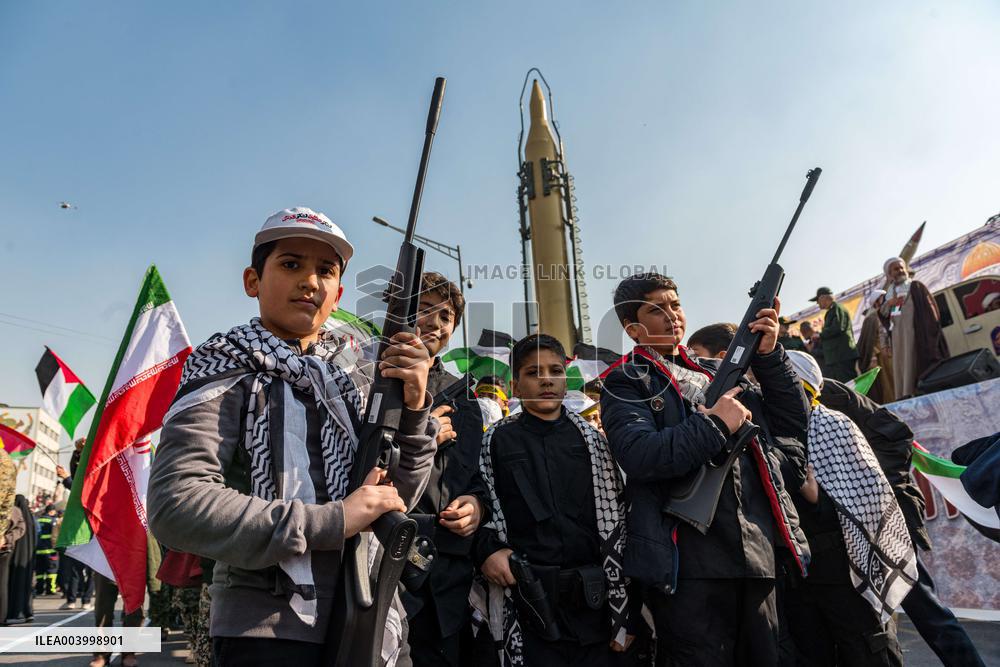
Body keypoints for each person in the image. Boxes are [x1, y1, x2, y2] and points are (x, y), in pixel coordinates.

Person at [147, 206, 437, 667]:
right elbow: (176, 504)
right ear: (252, 280)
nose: (310, 281)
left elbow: (394, 495)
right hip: (266, 628)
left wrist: (417, 409)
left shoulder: (355, 377)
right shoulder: (224, 364)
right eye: (291, 264)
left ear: (338, 293)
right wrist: (333, 521)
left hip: (370, 613)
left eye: (325, 270)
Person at [600, 273, 810, 666]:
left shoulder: (717, 370)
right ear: (632, 328)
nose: (671, 316)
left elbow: (792, 420)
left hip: (756, 551)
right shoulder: (625, 380)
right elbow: (641, 455)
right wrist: (715, 424)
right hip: (686, 565)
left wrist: (769, 355)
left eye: (675, 305)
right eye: (656, 309)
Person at [474, 334, 636, 666]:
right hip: (529, 604)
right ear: (515, 386)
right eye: (533, 372)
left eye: (555, 370)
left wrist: (627, 615)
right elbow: (481, 506)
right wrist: (487, 549)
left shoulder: (597, 443)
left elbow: (622, 520)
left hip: (597, 607)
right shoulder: (494, 443)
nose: (546, 379)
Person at [811, 361, 986, 667]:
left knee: (927, 612)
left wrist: (874, 487)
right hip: (849, 531)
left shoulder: (829, 395)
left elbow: (896, 434)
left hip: (882, 520)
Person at [778, 352, 907, 666]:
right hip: (802, 577)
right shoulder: (776, 431)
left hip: (846, 569)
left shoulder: (835, 426)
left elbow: (867, 500)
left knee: (865, 649)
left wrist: (817, 499)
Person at [403, 271, 489, 667]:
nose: (434, 323)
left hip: (449, 573)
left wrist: (475, 505)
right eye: (424, 310)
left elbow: (475, 478)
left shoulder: (463, 396)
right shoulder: (366, 381)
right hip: (387, 564)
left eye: (445, 317)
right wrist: (421, 437)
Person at [879, 257, 949, 398]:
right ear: (889, 274)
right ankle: (907, 395)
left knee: (917, 363)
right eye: (895, 269)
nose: (899, 271)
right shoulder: (890, 294)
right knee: (903, 367)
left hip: (916, 335)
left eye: (901, 267)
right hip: (899, 338)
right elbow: (886, 315)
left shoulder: (915, 286)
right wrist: (890, 303)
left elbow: (931, 311)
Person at [809, 286, 859, 382]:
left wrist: (820, 335)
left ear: (823, 298)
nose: (817, 303)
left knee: (849, 385)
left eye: (818, 300)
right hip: (837, 357)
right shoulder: (832, 310)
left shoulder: (837, 308)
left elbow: (838, 327)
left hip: (842, 356)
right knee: (844, 386)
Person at [855, 290, 895, 404]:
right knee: (888, 387)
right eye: (883, 298)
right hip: (883, 359)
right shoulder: (871, 319)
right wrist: (872, 358)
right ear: (876, 302)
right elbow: (868, 343)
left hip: (897, 354)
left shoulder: (890, 313)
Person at [6, 494, 36, 623]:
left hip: (14, 557)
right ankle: (27, 611)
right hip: (28, 558)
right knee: (26, 584)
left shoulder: (18, 519)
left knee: (13, 583)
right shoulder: (31, 521)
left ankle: (13, 611)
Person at [0, 496, 26, 626]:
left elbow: (21, 528)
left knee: (1, 585)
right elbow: (21, 528)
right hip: (5, 548)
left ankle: (1, 617)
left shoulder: (13, 510)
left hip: (4, 550)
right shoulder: (14, 510)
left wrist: (6, 539)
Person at [34, 504, 59, 595]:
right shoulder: (53, 521)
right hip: (50, 551)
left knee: (39, 572)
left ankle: (39, 589)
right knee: (51, 571)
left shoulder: (38, 520)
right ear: (51, 511)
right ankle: (50, 589)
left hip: (38, 550)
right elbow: (55, 536)